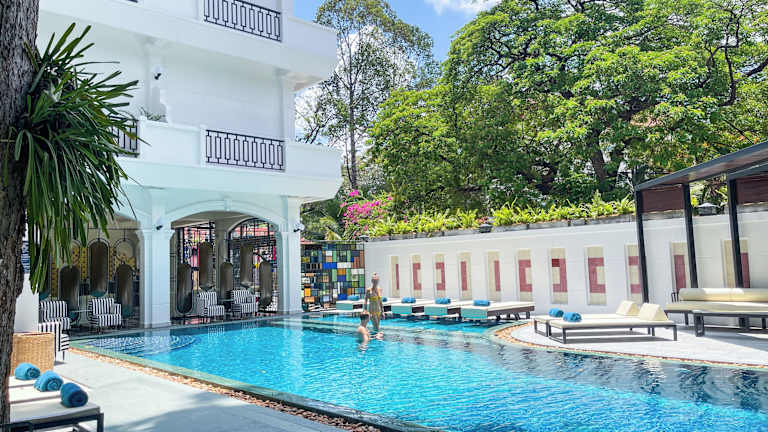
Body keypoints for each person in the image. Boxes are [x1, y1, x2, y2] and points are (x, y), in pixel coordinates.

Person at [365, 272, 385, 338]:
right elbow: (365, 300)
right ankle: (377, 338)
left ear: (378, 281)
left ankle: (373, 338)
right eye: (374, 281)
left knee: (376, 327)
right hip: (372, 311)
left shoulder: (379, 289)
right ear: (372, 281)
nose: (375, 282)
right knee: (377, 327)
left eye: (376, 281)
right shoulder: (369, 290)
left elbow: (380, 301)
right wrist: (365, 311)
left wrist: (382, 311)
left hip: (378, 311)